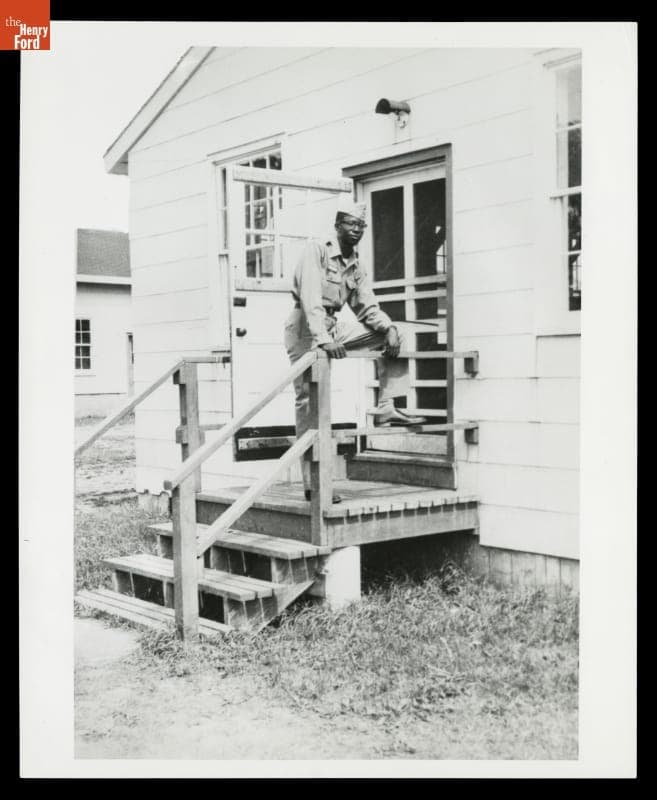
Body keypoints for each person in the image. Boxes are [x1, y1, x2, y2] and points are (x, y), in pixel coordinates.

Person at [284, 200, 426, 502]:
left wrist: (386, 328)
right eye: (351, 224)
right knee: (312, 406)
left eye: (361, 225)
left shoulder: (355, 264)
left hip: (333, 328)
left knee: (397, 331)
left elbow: (366, 305)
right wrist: (323, 339)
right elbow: (311, 299)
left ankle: (387, 406)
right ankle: (315, 486)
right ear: (337, 225)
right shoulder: (317, 250)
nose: (357, 230)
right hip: (306, 331)